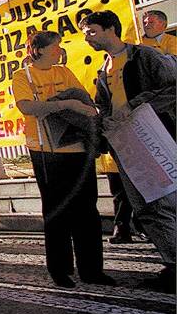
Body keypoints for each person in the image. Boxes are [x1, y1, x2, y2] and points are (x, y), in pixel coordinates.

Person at [81, 10, 176, 292]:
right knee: (145, 207)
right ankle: (172, 263)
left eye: (92, 31)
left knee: (167, 203)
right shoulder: (103, 69)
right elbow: (104, 106)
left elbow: (173, 88)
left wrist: (139, 105)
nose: (87, 38)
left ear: (111, 28)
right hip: (127, 146)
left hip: (158, 139)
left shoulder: (144, 57)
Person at [12, 30, 113, 289]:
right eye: (55, 46)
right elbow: (27, 107)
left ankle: (92, 270)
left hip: (78, 148)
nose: (59, 50)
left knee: (87, 211)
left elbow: (84, 101)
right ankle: (60, 269)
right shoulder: (22, 75)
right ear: (39, 49)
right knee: (56, 211)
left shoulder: (64, 72)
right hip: (46, 151)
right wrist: (64, 105)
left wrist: (68, 105)